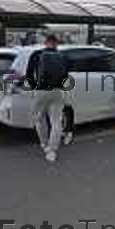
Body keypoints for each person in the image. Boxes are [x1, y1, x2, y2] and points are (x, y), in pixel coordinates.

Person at [32, 34, 68, 163]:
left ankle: (44, 144)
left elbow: (30, 72)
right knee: (56, 121)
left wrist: (34, 87)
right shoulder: (63, 56)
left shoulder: (37, 55)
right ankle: (52, 151)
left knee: (39, 118)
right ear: (56, 43)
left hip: (41, 90)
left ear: (45, 42)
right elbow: (65, 75)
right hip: (58, 91)